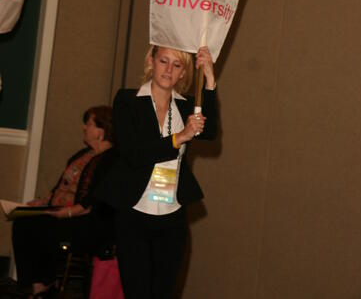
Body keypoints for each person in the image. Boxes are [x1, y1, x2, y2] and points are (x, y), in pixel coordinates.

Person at [97, 45, 218, 299]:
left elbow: (209, 132)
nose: (168, 70)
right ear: (151, 61)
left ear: (183, 73)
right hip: (134, 215)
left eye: (177, 65)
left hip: (172, 217)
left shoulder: (185, 107)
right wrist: (180, 137)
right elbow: (134, 153)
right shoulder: (127, 100)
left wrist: (209, 78)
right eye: (164, 61)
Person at [12, 105, 115, 298]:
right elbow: (60, 187)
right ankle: (38, 285)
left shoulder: (110, 160)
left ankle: (46, 285)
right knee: (22, 222)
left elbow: (96, 200)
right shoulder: (82, 155)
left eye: (89, 124)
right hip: (61, 212)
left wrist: (67, 213)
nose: (84, 128)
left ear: (101, 130)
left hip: (87, 220)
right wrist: (41, 203)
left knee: (42, 229)